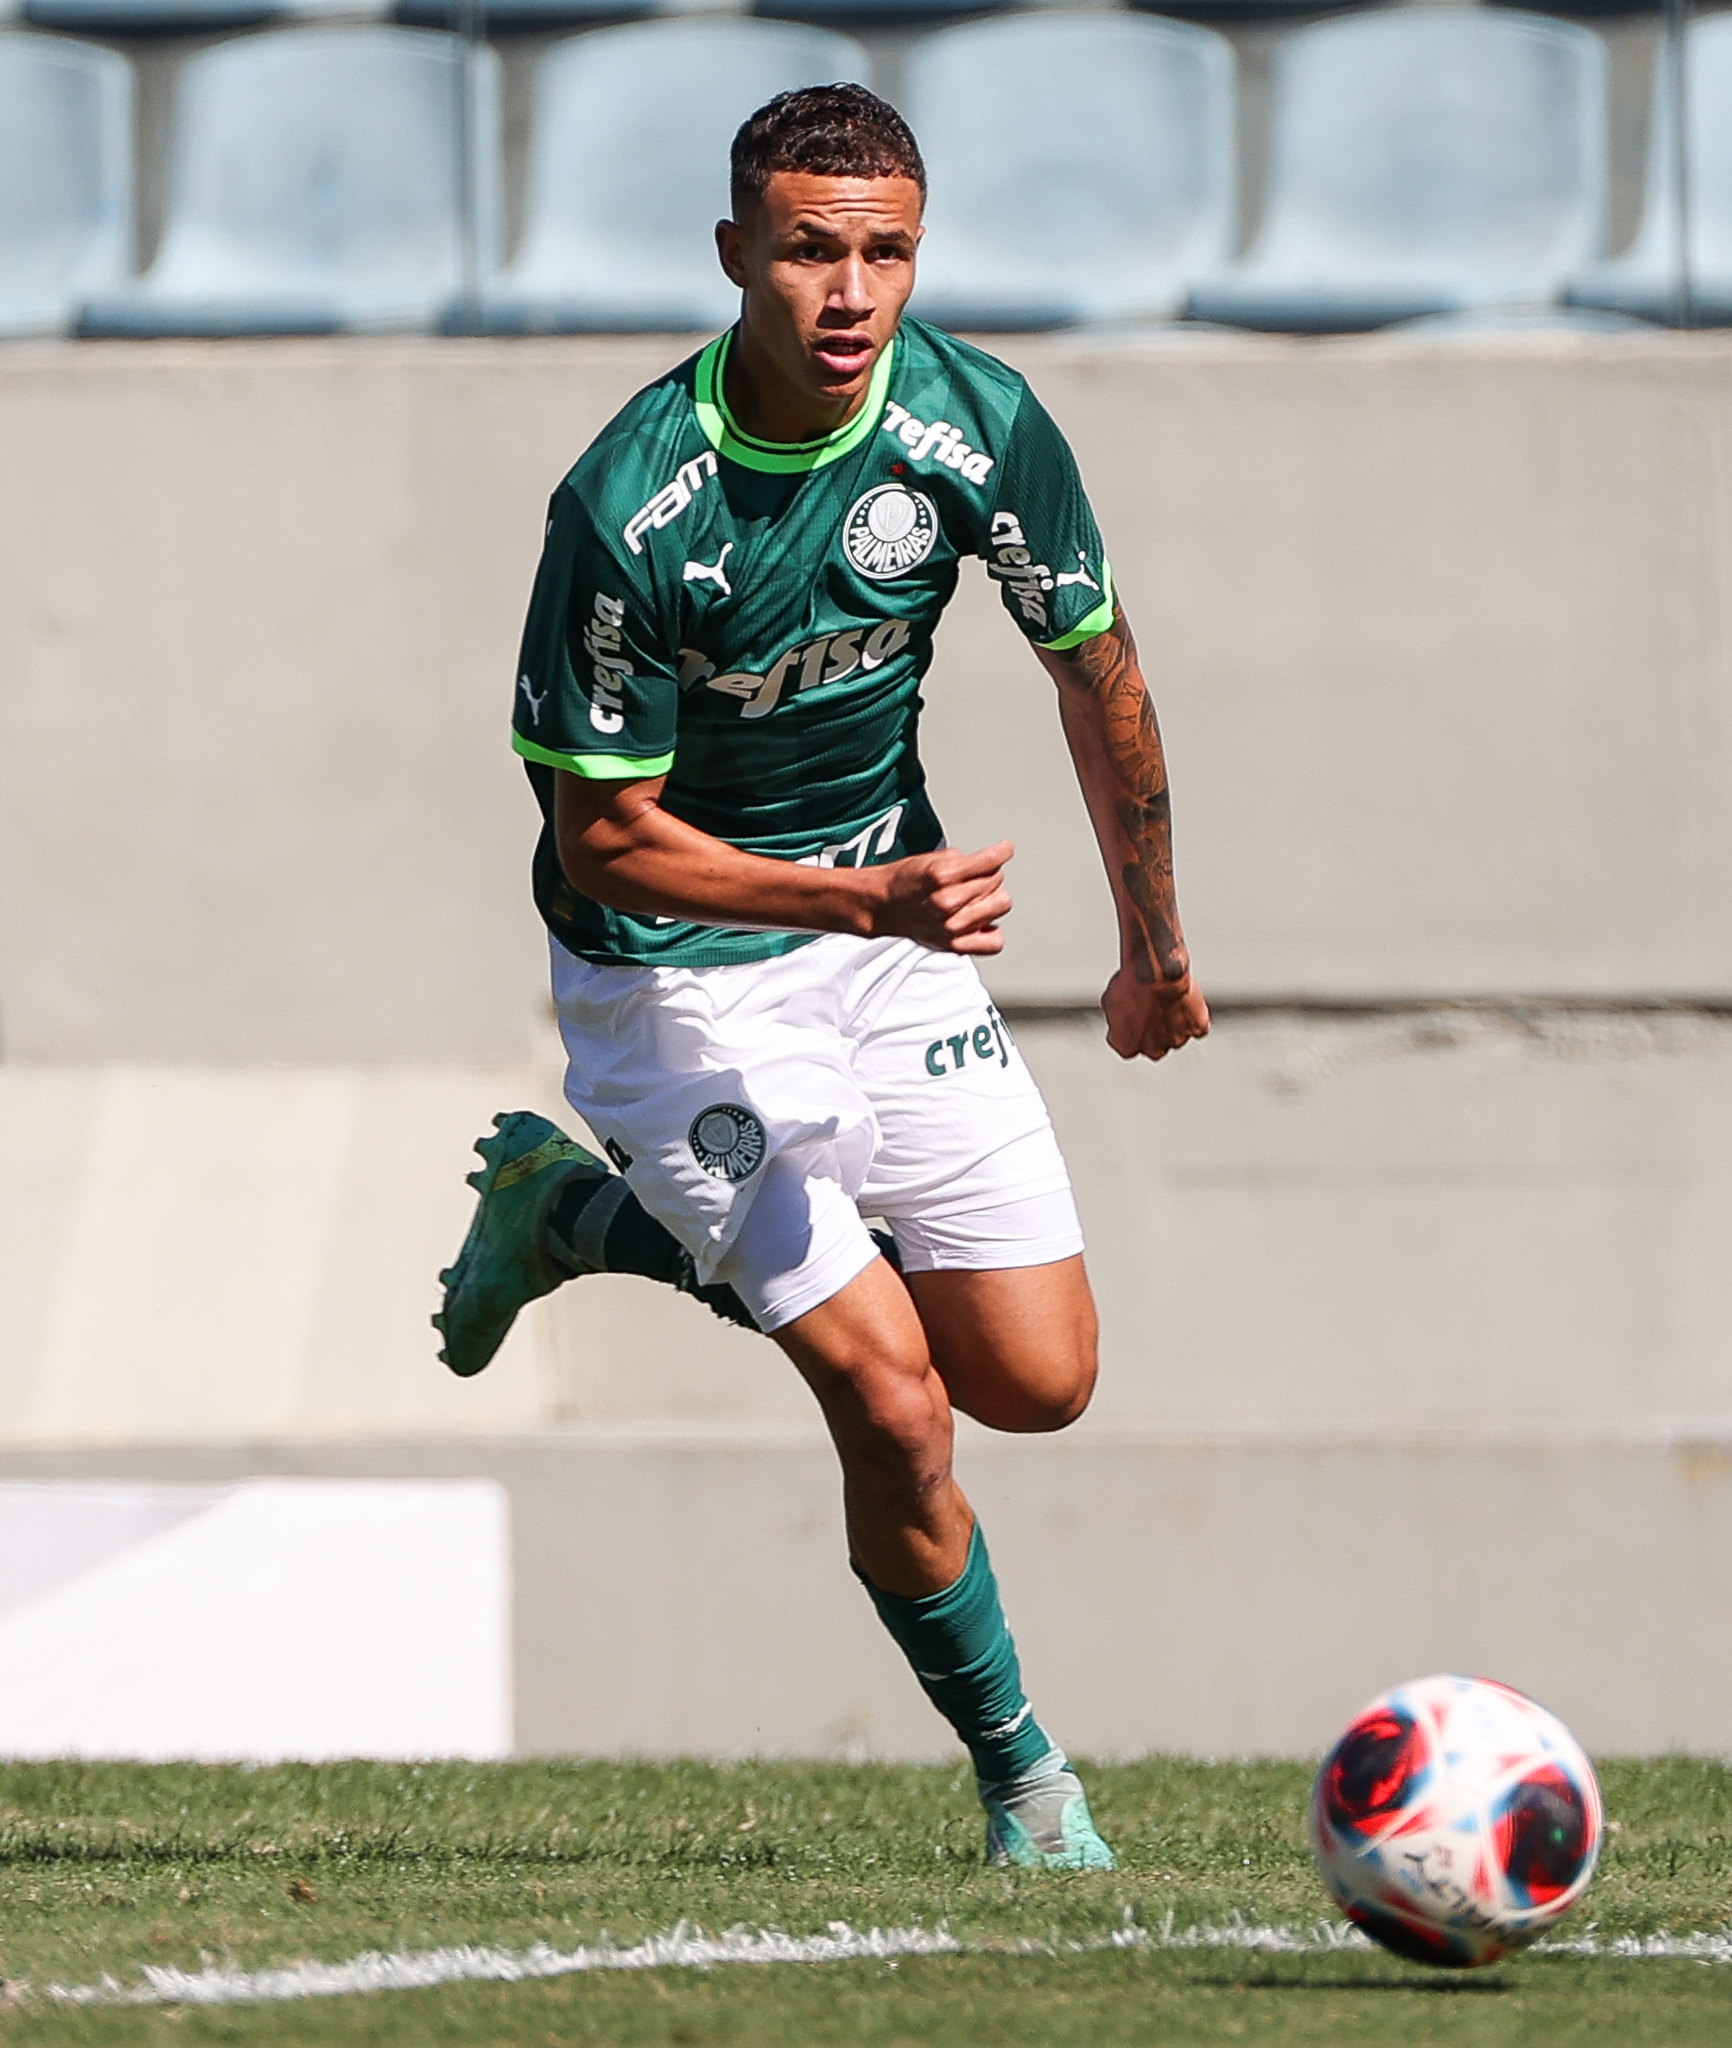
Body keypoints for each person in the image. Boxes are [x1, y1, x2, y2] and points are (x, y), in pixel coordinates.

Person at [435, 82, 1208, 1868]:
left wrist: (1153, 950)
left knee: (1034, 1379)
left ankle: (578, 1223)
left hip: (883, 929)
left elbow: (1100, 676)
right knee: (887, 1392)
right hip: (675, 975)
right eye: (809, 251)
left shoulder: (976, 423)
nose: (849, 292)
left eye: (884, 253)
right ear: (736, 258)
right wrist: (855, 909)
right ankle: (1032, 1785)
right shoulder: (632, 503)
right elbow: (603, 839)